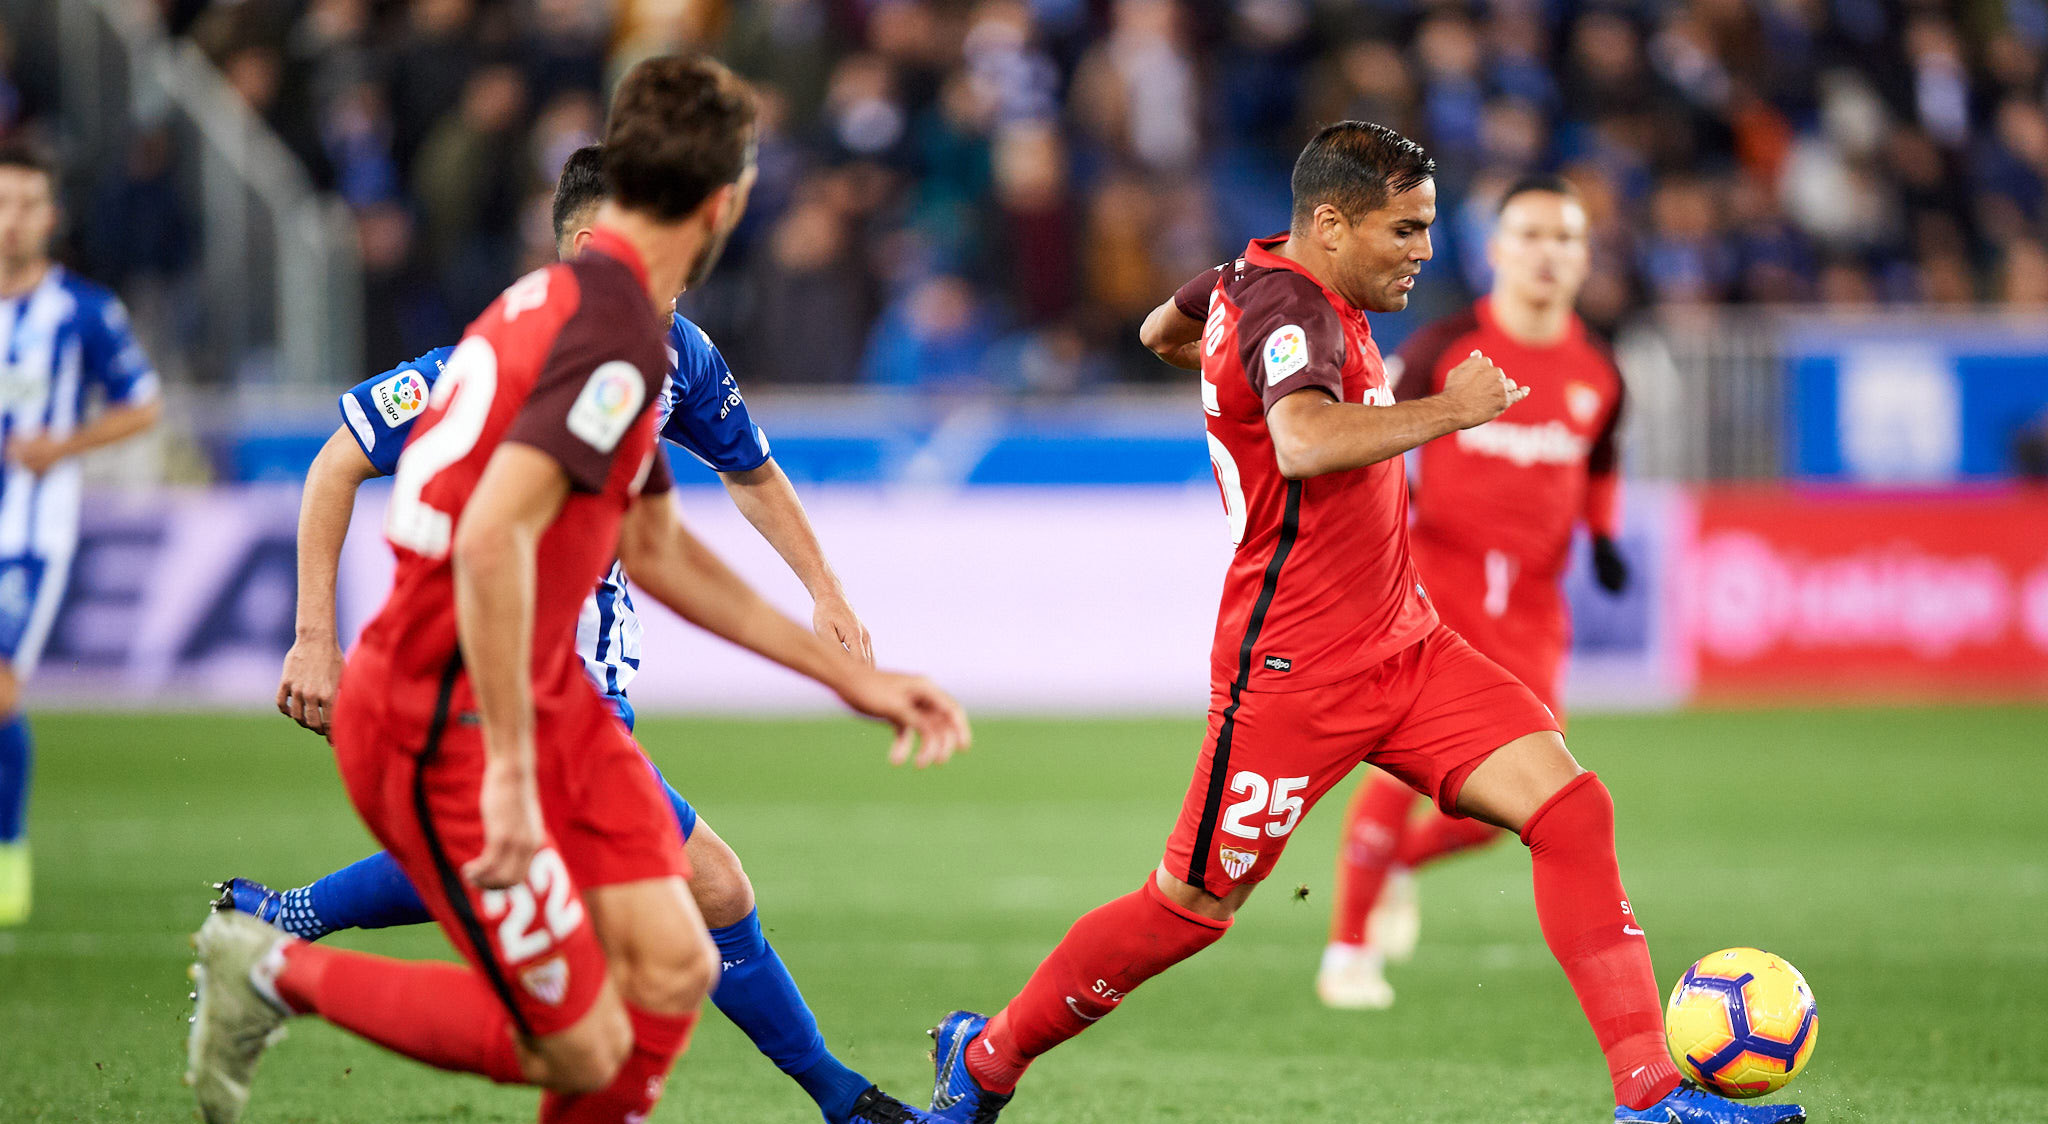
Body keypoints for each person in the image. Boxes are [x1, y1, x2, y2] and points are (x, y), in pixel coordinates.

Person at [923, 122, 1800, 1124]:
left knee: (1570, 809)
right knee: (1188, 909)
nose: (1424, 251)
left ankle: (1648, 1093)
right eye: (1405, 230)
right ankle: (984, 1056)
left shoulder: (1247, 280)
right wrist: (1450, 408)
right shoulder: (1289, 306)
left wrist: (1225, 378)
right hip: (1291, 672)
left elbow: (1157, 337)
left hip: (1408, 642)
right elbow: (1298, 440)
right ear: (1330, 224)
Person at [187, 54, 969, 1124]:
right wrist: (509, 763)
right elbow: (495, 537)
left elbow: (652, 549)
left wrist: (843, 672)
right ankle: (274, 963)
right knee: (593, 1028)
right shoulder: (604, 343)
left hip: (519, 694)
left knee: (682, 951)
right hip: (447, 702)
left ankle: (838, 1098)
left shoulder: (609, 331)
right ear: (719, 202)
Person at [1315, 173, 1631, 1010]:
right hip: (1431, 593)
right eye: (1529, 236)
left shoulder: (1599, 372)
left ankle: (1394, 870)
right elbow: (1366, 431)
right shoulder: (1444, 347)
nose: (1547, 254)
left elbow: (1599, 463)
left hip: (1533, 609)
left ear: (1585, 257)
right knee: (1397, 773)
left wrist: (1603, 538)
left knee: (1515, 809)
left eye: (1565, 239)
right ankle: (1347, 953)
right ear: (1495, 250)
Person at [0, 144, 162, 927]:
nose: (11, 220)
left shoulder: (83, 311)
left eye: (28, 203)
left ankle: (9, 852)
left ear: (51, 217)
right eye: (2, 202)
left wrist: (59, 449)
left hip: (29, 535)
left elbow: (144, 404)